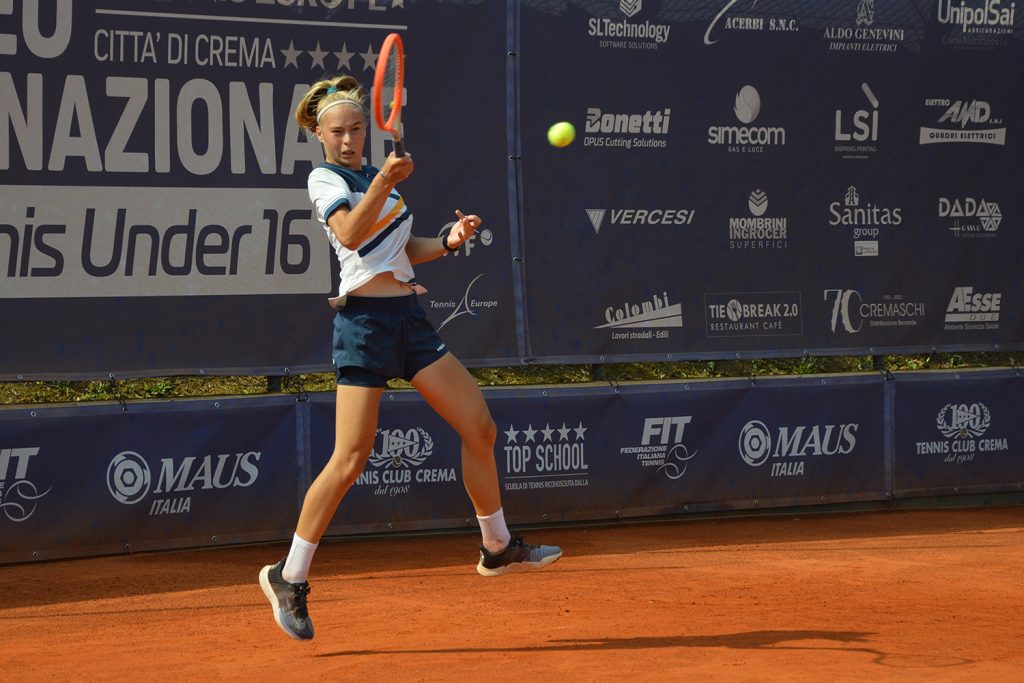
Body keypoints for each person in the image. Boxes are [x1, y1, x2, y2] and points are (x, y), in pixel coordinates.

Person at [258, 75, 562, 641]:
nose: (349, 140)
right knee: (350, 458)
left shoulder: (379, 178)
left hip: (410, 323)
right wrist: (384, 182)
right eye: (338, 132)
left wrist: (448, 239)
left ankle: (495, 545)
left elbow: (402, 250)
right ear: (320, 137)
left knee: (480, 427)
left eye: (356, 130)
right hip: (365, 326)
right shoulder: (325, 179)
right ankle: (288, 575)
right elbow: (349, 234)